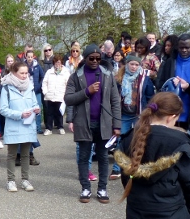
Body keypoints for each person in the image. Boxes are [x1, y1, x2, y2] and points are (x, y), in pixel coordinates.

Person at [64, 43, 121, 204]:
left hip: (104, 123)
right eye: (91, 58)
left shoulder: (108, 75)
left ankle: (102, 189)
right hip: (84, 122)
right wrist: (87, 92)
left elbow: (115, 101)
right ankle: (85, 188)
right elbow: (68, 99)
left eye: (98, 58)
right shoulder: (76, 76)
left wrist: (117, 125)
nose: (95, 61)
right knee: (84, 157)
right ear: (86, 58)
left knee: (103, 157)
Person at [109, 54, 156, 179]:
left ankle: (135, 167)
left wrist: (149, 111)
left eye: (136, 64)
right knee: (121, 140)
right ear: (127, 64)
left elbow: (150, 97)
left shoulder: (145, 79)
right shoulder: (119, 78)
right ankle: (117, 168)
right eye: (132, 64)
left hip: (139, 114)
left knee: (138, 140)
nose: (134, 67)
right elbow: (113, 97)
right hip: (123, 114)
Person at [0, 61, 40, 192]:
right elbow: (3, 109)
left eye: (26, 73)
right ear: (14, 73)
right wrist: (20, 114)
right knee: (12, 155)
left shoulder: (30, 87)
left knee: (25, 155)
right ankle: (11, 181)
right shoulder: (6, 88)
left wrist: (37, 109)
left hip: (28, 126)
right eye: (21, 73)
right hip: (13, 126)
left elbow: (34, 103)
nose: (24, 76)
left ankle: (25, 180)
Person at [156, 34, 190, 131]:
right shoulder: (170, 61)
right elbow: (160, 83)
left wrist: (188, 87)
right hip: (173, 111)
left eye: (187, 47)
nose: (184, 50)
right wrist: (171, 85)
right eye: (181, 48)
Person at [41, 54, 70, 135]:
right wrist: (45, 92)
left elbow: (68, 84)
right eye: (56, 62)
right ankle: (48, 129)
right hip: (50, 96)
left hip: (60, 96)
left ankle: (60, 127)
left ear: (61, 63)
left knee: (59, 113)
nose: (57, 64)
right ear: (54, 63)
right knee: (49, 113)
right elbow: (44, 83)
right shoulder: (49, 72)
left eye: (59, 62)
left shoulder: (66, 72)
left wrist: (65, 94)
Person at [25, 49, 45, 134]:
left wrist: (39, 86)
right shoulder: (23, 66)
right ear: (26, 57)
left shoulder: (37, 66)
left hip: (36, 91)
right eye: (28, 57)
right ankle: (28, 126)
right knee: (27, 109)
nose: (30, 58)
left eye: (31, 57)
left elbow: (42, 76)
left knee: (38, 108)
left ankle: (38, 127)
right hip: (26, 91)